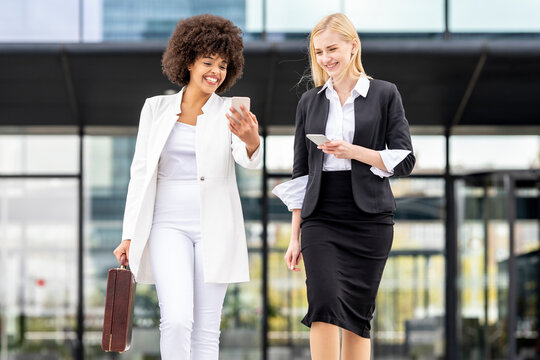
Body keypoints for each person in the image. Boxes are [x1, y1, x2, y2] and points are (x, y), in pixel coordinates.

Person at [112, 14, 262, 359]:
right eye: (208, 61)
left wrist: (252, 141)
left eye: (223, 64)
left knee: (207, 328)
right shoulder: (156, 108)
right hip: (166, 224)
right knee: (177, 320)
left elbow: (246, 158)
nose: (216, 71)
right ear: (188, 61)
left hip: (215, 226)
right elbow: (140, 174)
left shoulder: (230, 111)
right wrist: (130, 233)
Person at [273, 13, 415, 360]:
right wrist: (295, 236)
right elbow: (301, 173)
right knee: (323, 302)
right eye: (319, 52)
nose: (325, 59)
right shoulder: (310, 102)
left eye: (332, 49)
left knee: (357, 316)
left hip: (370, 219)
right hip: (321, 215)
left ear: (353, 46)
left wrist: (353, 152)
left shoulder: (384, 94)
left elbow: (405, 160)